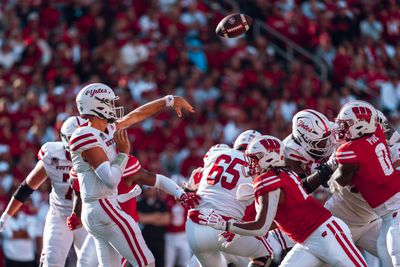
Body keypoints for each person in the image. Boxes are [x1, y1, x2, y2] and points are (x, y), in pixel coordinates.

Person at [69, 83, 197, 266]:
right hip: (104, 205)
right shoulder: (85, 134)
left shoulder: (104, 130)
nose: (114, 107)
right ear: (98, 105)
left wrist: (167, 101)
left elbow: (135, 115)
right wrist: (123, 153)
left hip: (98, 210)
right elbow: (110, 179)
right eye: (110, 103)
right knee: (146, 262)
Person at [200, 135, 367, 267]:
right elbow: (274, 220)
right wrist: (237, 230)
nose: (250, 163)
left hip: (325, 233)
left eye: (254, 158)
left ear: (269, 158)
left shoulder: (267, 181)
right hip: (307, 240)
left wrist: (226, 225)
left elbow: (261, 226)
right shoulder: (283, 174)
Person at [283, 109, 381, 260]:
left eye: (327, 138)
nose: (327, 144)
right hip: (328, 215)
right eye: (320, 142)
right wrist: (326, 169)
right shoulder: (291, 155)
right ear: (304, 141)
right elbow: (297, 190)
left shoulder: (331, 130)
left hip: (359, 212)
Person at [0, 116, 94, 267]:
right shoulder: (52, 155)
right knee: (52, 261)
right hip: (60, 215)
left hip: (88, 217)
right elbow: (27, 187)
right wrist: (7, 215)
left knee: (90, 264)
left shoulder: (99, 155)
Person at [185, 130, 275, 267]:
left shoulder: (216, 154)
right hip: (227, 228)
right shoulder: (257, 168)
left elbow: (186, 196)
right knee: (264, 254)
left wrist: (189, 189)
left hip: (195, 226)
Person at [333, 100, 400, 266]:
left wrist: (331, 167)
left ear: (360, 126)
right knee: (385, 255)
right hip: (387, 214)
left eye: (346, 125)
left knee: (396, 256)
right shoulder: (376, 131)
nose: (342, 129)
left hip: (394, 211)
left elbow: (341, 180)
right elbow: (385, 129)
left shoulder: (349, 151)